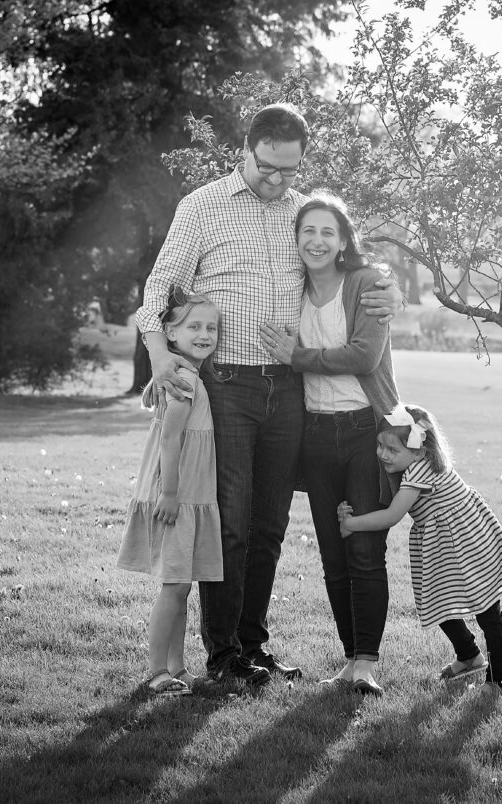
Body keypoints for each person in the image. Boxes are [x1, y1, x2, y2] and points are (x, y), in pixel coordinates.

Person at [134, 103, 401, 686]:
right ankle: (223, 653)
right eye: (268, 169)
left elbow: (345, 261)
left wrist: (386, 290)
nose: (279, 181)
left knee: (270, 525)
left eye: (290, 170)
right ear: (246, 151)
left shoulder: (298, 215)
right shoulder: (202, 206)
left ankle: (253, 647)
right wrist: (160, 357)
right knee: (231, 522)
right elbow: (158, 289)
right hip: (226, 384)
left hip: (289, 389)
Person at [259, 193, 399, 696]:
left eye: (327, 232)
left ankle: (367, 662)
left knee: (364, 549)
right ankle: (349, 659)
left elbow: (364, 357)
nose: (316, 241)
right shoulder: (289, 289)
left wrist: (299, 357)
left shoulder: (366, 284)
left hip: (366, 433)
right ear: (295, 240)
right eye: (307, 232)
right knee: (333, 556)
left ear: (343, 241)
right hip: (314, 435)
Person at [339, 404, 502, 689]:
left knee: (488, 611)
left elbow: (392, 515)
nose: (383, 454)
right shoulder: (418, 464)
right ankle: (469, 656)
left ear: (419, 450)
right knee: (438, 603)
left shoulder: (419, 471)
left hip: (467, 543)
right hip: (447, 543)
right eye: (380, 445)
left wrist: (351, 524)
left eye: (393, 449)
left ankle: (496, 679)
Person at [117, 289, 224, 697]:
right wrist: (171, 493)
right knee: (173, 586)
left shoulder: (187, 374)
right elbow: (172, 438)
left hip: (186, 494)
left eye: (211, 327)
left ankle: (177, 667)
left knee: (181, 584)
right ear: (170, 335)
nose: (204, 333)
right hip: (177, 494)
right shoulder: (183, 378)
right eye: (193, 326)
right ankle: (157, 670)